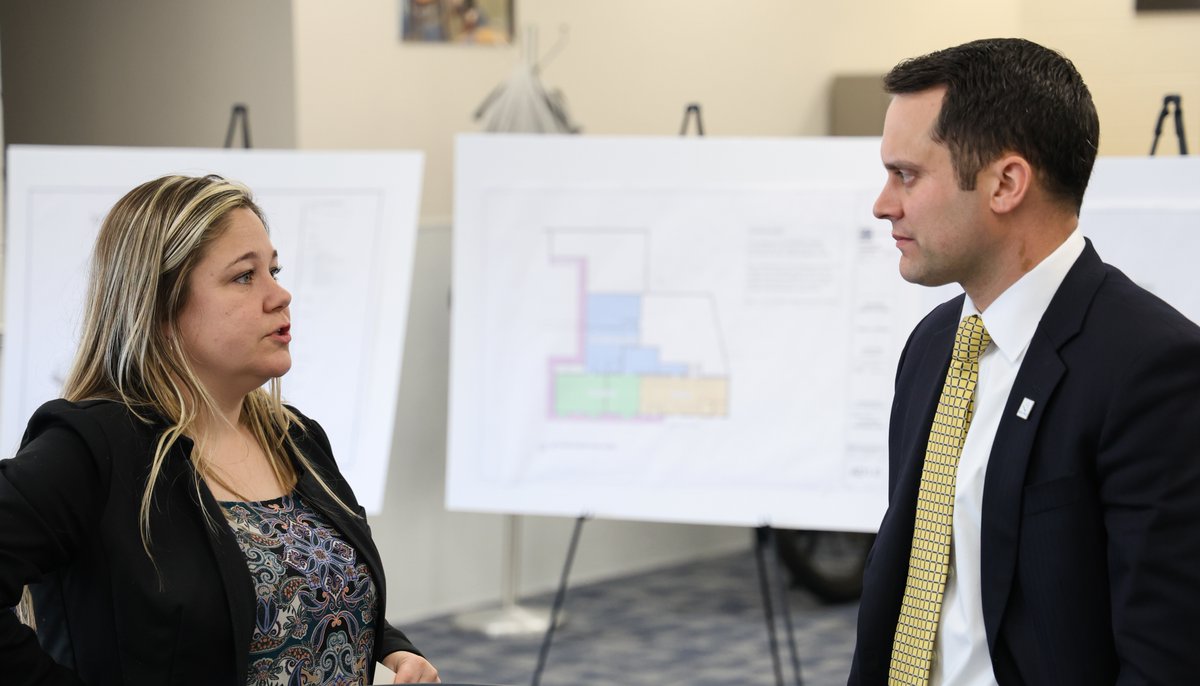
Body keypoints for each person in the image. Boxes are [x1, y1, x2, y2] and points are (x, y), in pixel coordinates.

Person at [849, 38, 1200, 685]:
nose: (883, 204)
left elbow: (1167, 657)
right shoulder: (933, 347)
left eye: (906, 175)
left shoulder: (1152, 369)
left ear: (1006, 183)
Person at [0, 175, 441, 685]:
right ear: (161, 306)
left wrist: (391, 649)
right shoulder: (94, 448)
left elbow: (299, 590)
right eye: (244, 277)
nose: (281, 294)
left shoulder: (296, 439)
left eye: (273, 270)